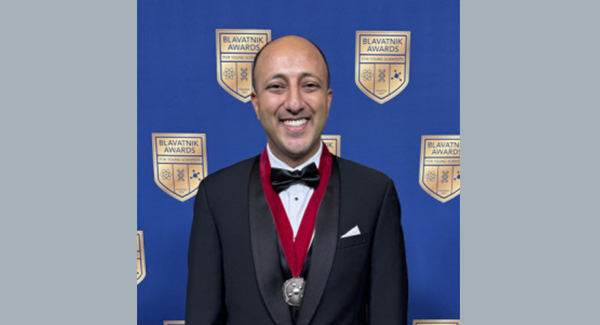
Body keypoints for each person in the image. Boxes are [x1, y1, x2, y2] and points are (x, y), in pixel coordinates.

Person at [185, 35, 408, 325]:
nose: (294, 103)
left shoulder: (375, 193)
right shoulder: (216, 196)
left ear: (328, 100)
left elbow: (387, 315)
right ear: (256, 102)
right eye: (277, 87)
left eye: (309, 86)